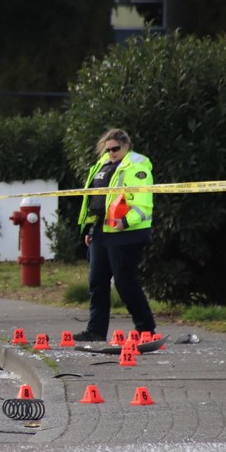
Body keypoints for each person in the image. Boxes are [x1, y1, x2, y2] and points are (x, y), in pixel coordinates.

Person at [73, 128, 156, 343]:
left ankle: (145, 328)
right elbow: (95, 202)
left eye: (115, 149)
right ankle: (96, 331)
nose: (111, 153)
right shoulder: (102, 166)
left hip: (127, 232)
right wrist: (91, 229)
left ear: (126, 146)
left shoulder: (137, 166)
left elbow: (143, 203)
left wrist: (126, 221)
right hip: (102, 230)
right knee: (97, 282)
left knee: (124, 282)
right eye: (108, 149)